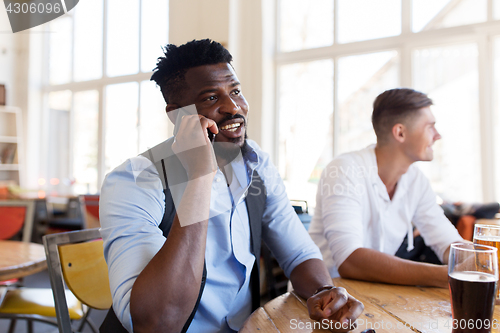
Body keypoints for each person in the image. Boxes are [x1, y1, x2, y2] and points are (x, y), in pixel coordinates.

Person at [99, 39, 363, 333]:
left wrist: (323, 294)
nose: (233, 107)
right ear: (177, 114)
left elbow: (298, 253)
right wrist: (200, 175)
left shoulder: (255, 163)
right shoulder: (135, 180)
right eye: (211, 98)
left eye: (235, 91)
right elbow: (156, 323)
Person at [308, 88, 463, 288]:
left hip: (375, 297)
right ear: (400, 132)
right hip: (321, 303)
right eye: (430, 127)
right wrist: (448, 276)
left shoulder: (417, 181)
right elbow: (349, 260)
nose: (438, 135)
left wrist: (475, 262)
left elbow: (448, 242)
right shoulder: (344, 169)